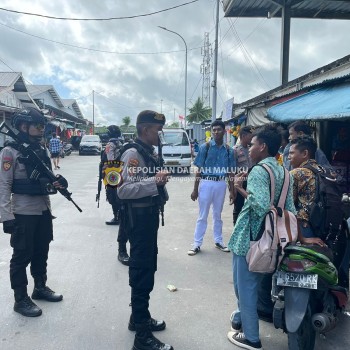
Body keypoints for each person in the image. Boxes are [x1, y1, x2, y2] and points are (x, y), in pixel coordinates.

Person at [227, 125, 295, 350]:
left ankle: (251, 338)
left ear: (263, 147)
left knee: (243, 289)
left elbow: (259, 205)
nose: (249, 149)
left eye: (252, 145)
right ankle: (242, 320)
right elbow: (289, 209)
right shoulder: (285, 172)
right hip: (273, 242)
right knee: (253, 286)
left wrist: (240, 187)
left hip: (250, 240)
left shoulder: (257, 171)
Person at [0, 107, 67, 317]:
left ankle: (40, 287)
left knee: (41, 251)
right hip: (22, 212)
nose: (41, 129)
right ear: (23, 126)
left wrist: (58, 182)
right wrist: (6, 216)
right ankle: (20, 299)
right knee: (22, 256)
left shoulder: (41, 149)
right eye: (38, 125)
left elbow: (46, 177)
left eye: (42, 125)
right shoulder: (9, 151)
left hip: (43, 209)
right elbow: (3, 185)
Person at [117, 110, 173, 350]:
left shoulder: (147, 152)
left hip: (147, 219)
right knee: (141, 272)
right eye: (157, 130)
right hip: (138, 222)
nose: (160, 134)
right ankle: (142, 337)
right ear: (146, 129)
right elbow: (123, 190)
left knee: (148, 268)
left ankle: (138, 318)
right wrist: (155, 182)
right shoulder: (132, 154)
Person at [288, 136, 348, 287]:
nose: (288, 157)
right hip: (326, 230)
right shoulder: (329, 172)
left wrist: (301, 238)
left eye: (292, 153)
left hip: (304, 230)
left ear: (305, 153)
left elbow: (288, 206)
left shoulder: (297, 173)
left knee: (297, 273)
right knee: (317, 271)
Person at [188, 120, 235, 256]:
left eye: (218, 129)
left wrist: (232, 190)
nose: (215, 132)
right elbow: (199, 169)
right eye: (213, 130)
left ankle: (218, 241)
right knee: (202, 215)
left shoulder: (228, 150)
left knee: (217, 215)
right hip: (206, 182)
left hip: (221, 183)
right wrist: (195, 189)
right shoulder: (205, 147)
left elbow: (230, 171)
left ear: (224, 131)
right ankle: (196, 244)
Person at [103, 125, 130, 265]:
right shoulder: (122, 142)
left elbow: (110, 160)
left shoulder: (110, 144)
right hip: (121, 172)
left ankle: (116, 216)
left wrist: (106, 169)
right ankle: (118, 214)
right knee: (118, 196)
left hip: (113, 172)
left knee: (112, 196)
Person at [232, 126, 254, 224]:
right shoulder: (234, 150)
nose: (252, 139)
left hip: (251, 182)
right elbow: (231, 171)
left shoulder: (251, 149)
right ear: (243, 136)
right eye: (250, 136)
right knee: (238, 208)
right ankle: (236, 227)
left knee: (249, 207)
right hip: (240, 183)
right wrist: (232, 189)